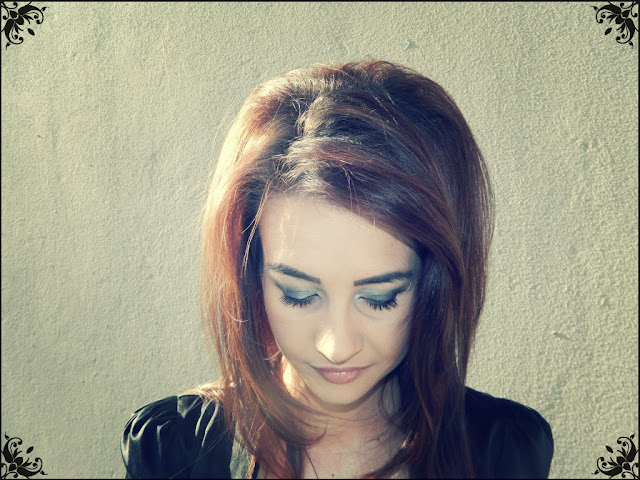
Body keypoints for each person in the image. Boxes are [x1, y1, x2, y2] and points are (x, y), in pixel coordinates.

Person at [121, 59, 553, 479]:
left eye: (380, 299)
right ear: (252, 273)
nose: (337, 347)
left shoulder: (500, 451)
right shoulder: (175, 451)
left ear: (430, 281)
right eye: (298, 295)